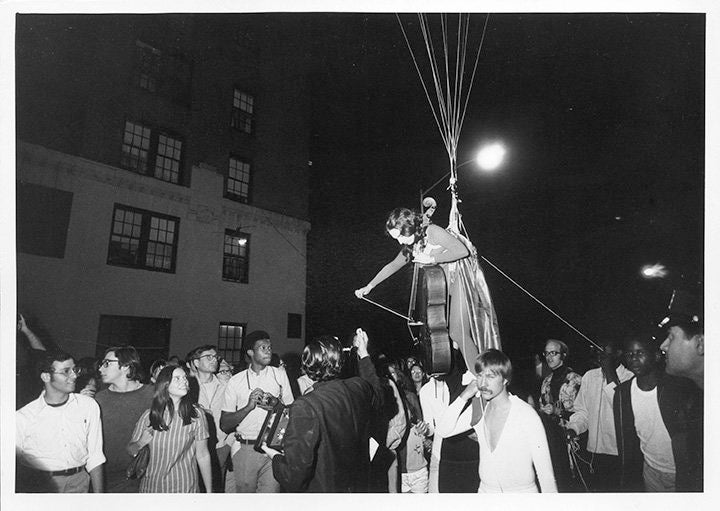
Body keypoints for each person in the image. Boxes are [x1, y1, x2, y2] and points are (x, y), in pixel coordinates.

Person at [354, 207, 500, 375]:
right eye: (396, 238)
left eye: (402, 236)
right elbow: (393, 265)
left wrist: (432, 259)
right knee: (457, 334)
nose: (400, 241)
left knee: (457, 332)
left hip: (460, 279)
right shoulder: (412, 245)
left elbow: (462, 251)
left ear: (410, 227)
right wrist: (369, 286)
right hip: (446, 286)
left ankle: (480, 375)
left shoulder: (433, 232)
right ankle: (477, 371)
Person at [261, 329, 386, 492]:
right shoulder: (358, 387)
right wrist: (363, 352)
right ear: (340, 361)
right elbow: (378, 392)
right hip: (357, 489)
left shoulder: (306, 405)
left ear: (307, 366)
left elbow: (294, 476)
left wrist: (274, 456)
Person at [436, 349, 557, 492]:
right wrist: (465, 395)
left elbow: (546, 476)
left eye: (490, 376)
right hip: (486, 493)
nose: (483, 383)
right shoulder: (480, 408)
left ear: (505, 379)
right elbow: (442, 430)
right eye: (480, 375)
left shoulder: (525, 414)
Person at [613, 333, 701, 492]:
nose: (634, 358)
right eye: (630, 354)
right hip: (650, 470)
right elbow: (627, 440)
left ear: (656, 356)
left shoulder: (676, 388)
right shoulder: (623, 393)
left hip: (681, 472)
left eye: (640, 353)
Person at [16, 351, 105, 493]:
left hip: (79, 483)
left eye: (75, 370)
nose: (74, 376)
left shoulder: (88, 406)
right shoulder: (23, 417)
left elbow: (95, 456)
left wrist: (99, 498)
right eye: (66, 371)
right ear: (46, 376)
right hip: (42, 486)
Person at [220, 330, 294, 493]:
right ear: (250, 353)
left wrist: (276, 405)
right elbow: (225, 425)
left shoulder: (279, 375)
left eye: (269, 347)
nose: (268, 350)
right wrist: (248, 407)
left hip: (273, 449)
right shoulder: (235, 381)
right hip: (247, 449)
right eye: (263, 347)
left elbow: (292, 413)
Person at [128, 365, 212, 493]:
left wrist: (210, 492)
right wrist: (140, 443)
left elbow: (203, 455)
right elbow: (130, 450)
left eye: (185, 378)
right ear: (165, 385)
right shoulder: (149, 416)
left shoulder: (196, 415)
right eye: (177, 378)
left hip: (185, 487)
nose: (184, 381)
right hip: (152, 488)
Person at [564, 340, 634, 491]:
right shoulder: (589, 377)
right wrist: (574, 428)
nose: (600, 352)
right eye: (597, 348)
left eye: (604, 349)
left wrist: (609, 372)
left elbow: (620, 407)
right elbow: (582, 411)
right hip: (594, 453)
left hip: (619, 454)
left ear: (618, 353)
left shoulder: (630, 378)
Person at [95, 345, 154, 492]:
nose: (100, 369)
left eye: (107, 363)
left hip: (143, 476)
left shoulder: (152, 395)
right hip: (107, 478)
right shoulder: (98, 399)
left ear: (126, 366)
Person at [538, 338, 582, 491]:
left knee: (575, 479)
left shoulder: (575, 379)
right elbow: (542, 406)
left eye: (554, 353)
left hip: (573, 438)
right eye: (547, 353)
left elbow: (583, 413)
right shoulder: (546, 381)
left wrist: (558, 412)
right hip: (552, 436)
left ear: (563, 355)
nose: (549, 357)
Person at [187, 344, 230, 492]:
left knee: (217, 487)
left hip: (220, 445)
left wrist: (228, 443)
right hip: (194, 447)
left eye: (215, 357)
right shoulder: (187, 386)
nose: (214, 360)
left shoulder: (226, 384)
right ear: (196, 363)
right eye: (208, 357)